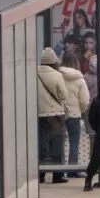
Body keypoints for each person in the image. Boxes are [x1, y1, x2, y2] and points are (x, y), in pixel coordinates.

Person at [36, 48, 71, 184]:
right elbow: (63, 96)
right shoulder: (57, 75)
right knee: (57, 144)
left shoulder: (33, 73)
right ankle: (57, 175)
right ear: (53, 62)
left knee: (42, 144)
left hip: (39, 114)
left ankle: (40, 174)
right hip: (56, 115)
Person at [59, 51, 90, 179]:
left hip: (59, 113)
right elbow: (84, 100)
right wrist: (81, 110)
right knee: (74, 142)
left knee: (59, 142)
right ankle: (73, 169)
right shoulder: (80, 80)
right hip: (74, 114)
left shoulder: (57, 76)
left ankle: (59, 170)